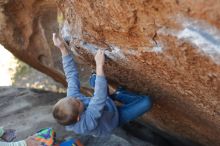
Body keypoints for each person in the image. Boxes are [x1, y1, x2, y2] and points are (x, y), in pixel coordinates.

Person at [52, 33, 153, 137]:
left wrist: (62, 48)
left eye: (71, 98)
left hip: (105, 102)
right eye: (78, 102)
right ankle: (118, 94)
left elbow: (71, 76)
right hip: (116, 118)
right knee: (146, 102)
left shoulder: (71, 100)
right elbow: (99, 98)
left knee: (96, 79)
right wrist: (99, 65)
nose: (76, 98)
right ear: (78, 117)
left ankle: (114, 94)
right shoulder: (87, 123)